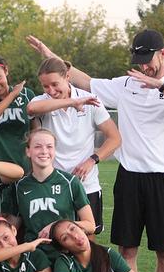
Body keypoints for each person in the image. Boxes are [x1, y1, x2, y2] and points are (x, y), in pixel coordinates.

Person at [28, 30, 164, 272]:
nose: (143, 67)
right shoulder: (125, 84)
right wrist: (48, 53)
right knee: (126, 249)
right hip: (129, 176)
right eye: (139, 61)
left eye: (148, 61)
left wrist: (162, 86)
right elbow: (80, 79)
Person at [27, 57, 121, 236]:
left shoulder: (91, 102)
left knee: (87, 243)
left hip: (86, 185)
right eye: (45, 86)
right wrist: (72, 102)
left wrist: (91, 160)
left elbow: (115, 138)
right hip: (52, 186)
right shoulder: (42, 102)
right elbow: (31, 109)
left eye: (55, 84)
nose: (51, 91)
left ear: (68, 76)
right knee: (53, 241)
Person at [12, 129, 95, 261]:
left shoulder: (70, 182)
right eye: (38, 146)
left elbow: (90, 225)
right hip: (34, 255)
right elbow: (13, 229)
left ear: (55, 151)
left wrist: (56, 225)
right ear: (28, 151)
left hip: (66, 254)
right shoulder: (19, 186)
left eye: (49, 147)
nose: (44, 151)